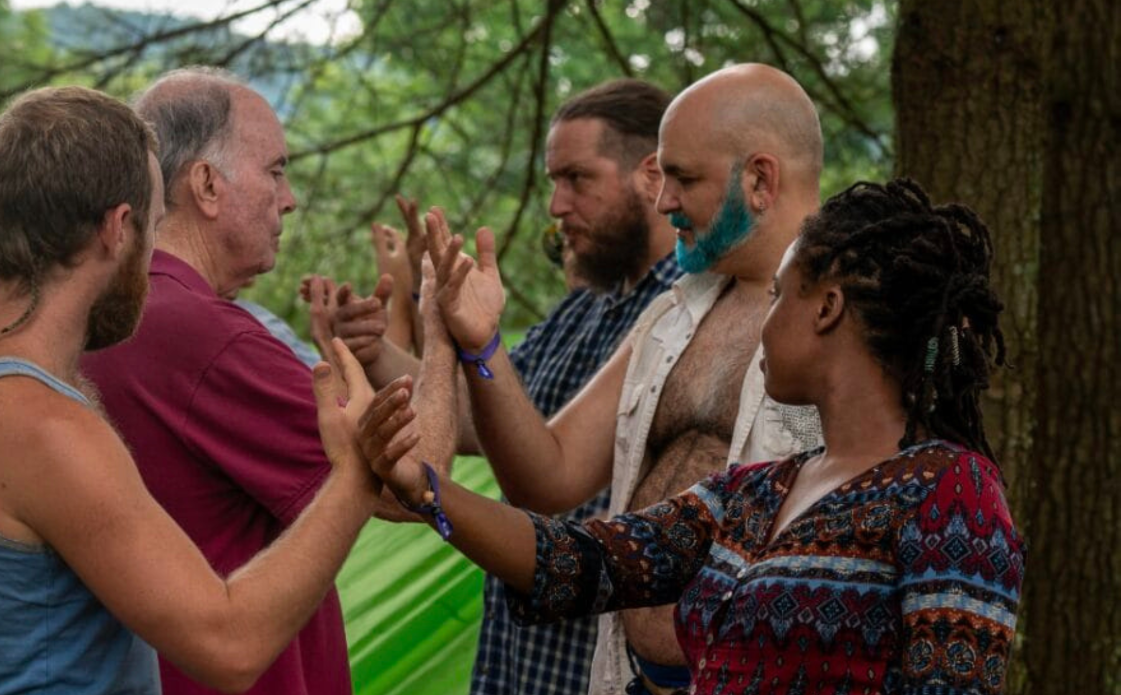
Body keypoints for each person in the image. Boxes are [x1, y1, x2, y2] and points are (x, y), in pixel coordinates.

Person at [352, 178, 1025, 695]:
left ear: (827, 308)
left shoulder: (948, 491)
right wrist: (426, 492)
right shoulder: (756, 493)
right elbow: (578, 562)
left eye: (779, 297)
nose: (762, 325)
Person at [0, 85, 380, 695]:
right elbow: (229, 644)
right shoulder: (41, 425)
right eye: (152, 227)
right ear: (118, 229)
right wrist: (356, 476)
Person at [375, 63, 826, 694]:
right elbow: (548, 475)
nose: (664, 199)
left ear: (759, 178)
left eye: (683, 178)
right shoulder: (671, 316)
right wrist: (480, 343)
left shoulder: (853, 322)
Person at [313, 79, 685, 695]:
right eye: (551, 183)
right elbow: (472, 419)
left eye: (577, 179)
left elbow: (546, 474)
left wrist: (462, 339)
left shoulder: (685, 318)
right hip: (519, 667)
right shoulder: (585, 308)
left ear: (650, 175)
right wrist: (377, 350)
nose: (556, 206)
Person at [79, 67, 355, 695]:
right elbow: (407, 479)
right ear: (205, 184)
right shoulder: (206, 335)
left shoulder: (99, 312)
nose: (288, 199)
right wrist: (456, 341)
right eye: (276, 171)